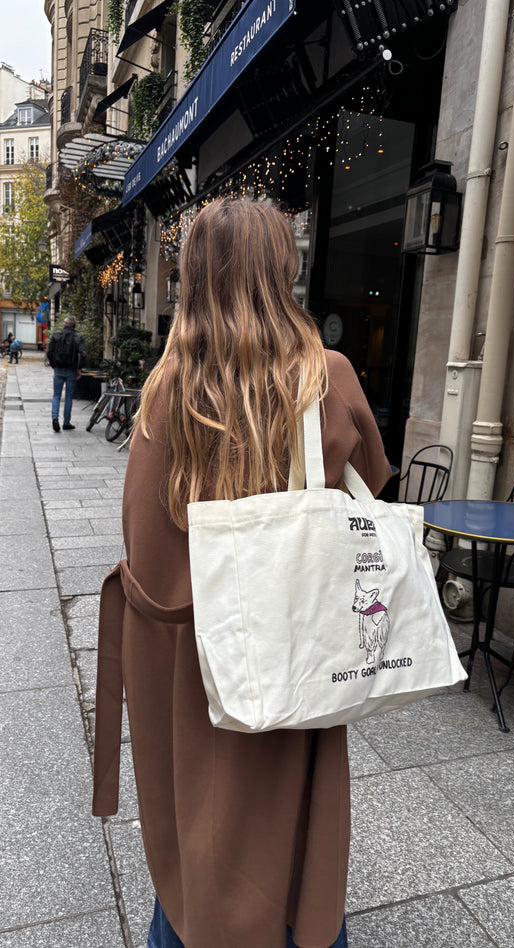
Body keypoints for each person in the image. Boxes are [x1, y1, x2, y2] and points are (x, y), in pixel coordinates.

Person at [92, 198, 391, 948]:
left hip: (196, 672)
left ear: (193, 276)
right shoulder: (327, 375)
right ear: (281, 269)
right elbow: (374, 486)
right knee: (297, 840)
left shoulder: (167, 391)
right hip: (301, 656)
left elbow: (147, 551)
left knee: (198, 844)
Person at [46, 315, 86, 431]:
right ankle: (66, 422)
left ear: (64, 324)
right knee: (69, 396)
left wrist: (54, 365)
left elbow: (49, 352)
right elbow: (83, 354)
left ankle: (54, 418)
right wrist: (79, 368)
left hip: (58, 368)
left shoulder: (56, 335)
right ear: (75, 326)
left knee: (56, 395)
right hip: (71, 370)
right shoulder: (78, 337)